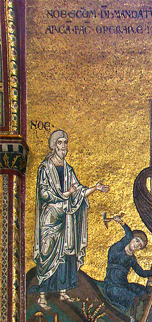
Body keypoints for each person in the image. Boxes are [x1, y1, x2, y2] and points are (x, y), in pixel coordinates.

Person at [31, 129, 105, 311]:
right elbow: (44, 193)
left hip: (67, 217)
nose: (63, 146)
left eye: (65, 142)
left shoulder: (68, 169)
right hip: (50, 217)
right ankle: (42, 296)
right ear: (53, 145)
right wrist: (66, 194)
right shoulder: (45, 168)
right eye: (60, 142)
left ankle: (62, 291)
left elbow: (78, 191)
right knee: (48, 253)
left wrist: (95, 188)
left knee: (66, 253)